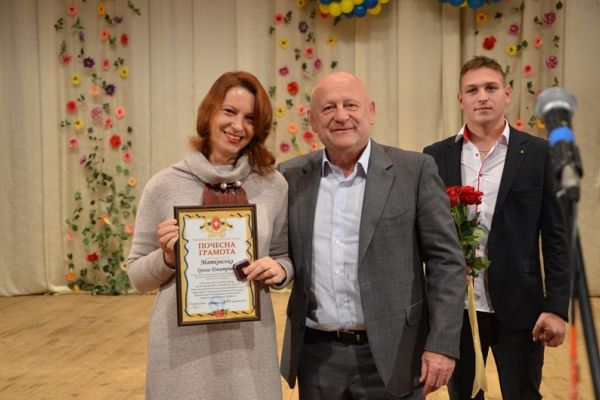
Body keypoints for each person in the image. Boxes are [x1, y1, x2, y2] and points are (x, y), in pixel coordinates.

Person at [278, 71, 466, 399]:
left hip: (396, 355)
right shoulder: (290, 176)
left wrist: (441, 344)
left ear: (372, 112)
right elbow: (280, 252)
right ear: (312, 120)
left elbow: (446, 263)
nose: (341, 116)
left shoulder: (415, 170)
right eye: (328, 108)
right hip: (317, 358)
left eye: (351, 105)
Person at [127, 71, 293, 400]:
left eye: (250, 118)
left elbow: (284, 256)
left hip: (249, 349)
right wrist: (167, 258)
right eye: (229, 111)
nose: (238, 126)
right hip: (181, 352)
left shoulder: (274, 185)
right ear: (209, 112)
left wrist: (280, 270)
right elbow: (137, 276)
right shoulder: (163, 185)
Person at [423, 55, 570, 399]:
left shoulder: (539, 154)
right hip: (457, 310)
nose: (482, 97)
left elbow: (557, 239)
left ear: (507, 93)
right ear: (460, 99)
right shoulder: (434, 156)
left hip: (520, 309)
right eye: (472, 90)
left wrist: (556, 307)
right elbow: (423, 233)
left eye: (490, 88)